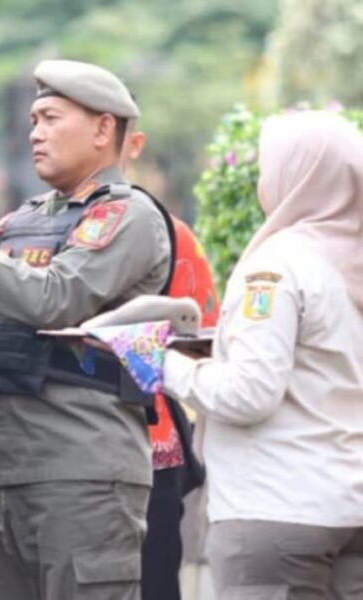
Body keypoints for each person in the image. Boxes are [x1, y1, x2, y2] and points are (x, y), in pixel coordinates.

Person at [0, 59, 174, 599]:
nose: (36, 133)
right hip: (14, 472)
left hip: (85, 475)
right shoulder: (25, 218)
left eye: (51, 117)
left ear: (103, 129)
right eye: (32, 120)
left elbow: (54, 298)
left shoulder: (128, 217)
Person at [162, 110, 363, 599]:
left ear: (298, 176)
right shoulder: (351, 263)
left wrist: (157, 361)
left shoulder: (279, 265)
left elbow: (248, 393)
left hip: (277, 508)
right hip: (351, 504)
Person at [120, 125, 217, 600]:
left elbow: (206, 338)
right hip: (56, 456)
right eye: (38, 120)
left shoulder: (173, 236)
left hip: (152, 454)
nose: (40, 134)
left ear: (126, 141)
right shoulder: (26, 230)